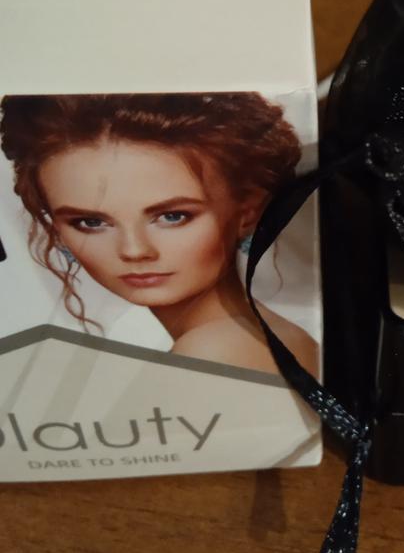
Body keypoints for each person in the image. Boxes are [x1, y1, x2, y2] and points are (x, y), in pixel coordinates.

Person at [0, 92, 318, 375]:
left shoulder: (214, 352)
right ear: (56, 229)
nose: (134, 250)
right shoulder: (264, 336)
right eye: (91, 222)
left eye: (172, 216)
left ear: (247, 211)